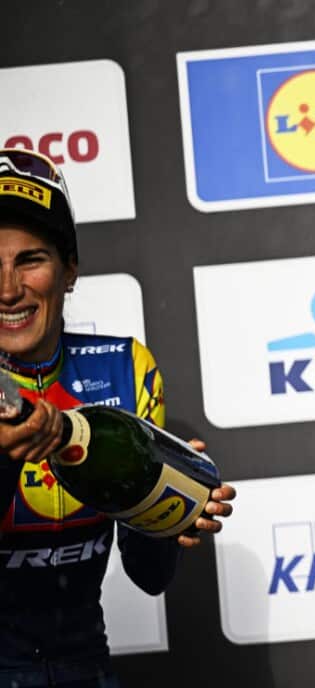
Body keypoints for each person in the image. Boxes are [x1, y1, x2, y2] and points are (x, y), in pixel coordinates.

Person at [0, 148, 236, 688]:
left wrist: (165, 509)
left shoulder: (125, 368)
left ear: (69, 270)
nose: (9, 289)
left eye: (30, 259)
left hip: (87, 666)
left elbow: (149, 577)